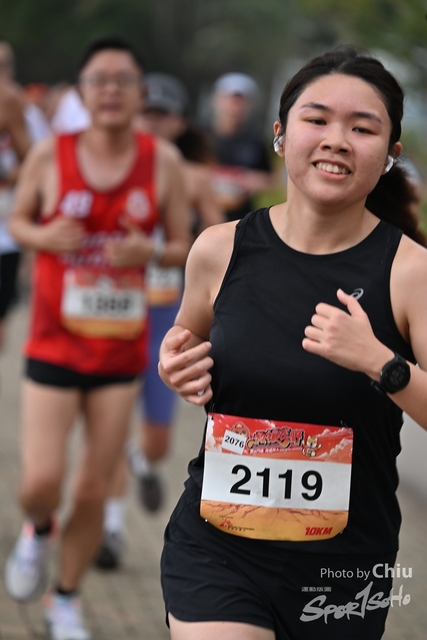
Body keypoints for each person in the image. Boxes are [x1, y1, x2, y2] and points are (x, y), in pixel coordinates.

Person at [157, 46, 427, 640]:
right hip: (218, 544)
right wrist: (173, 366)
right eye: (317, 119)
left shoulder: (411, 272)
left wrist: (381, 363)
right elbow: (184, 344)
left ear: (390, 155)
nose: (337, 140)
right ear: (280, 135)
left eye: (362, 129)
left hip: (344, 564)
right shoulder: (219, 248)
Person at [4, 36, 190, 640]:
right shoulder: (50, 154)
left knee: (90, 490)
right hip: (53, 342)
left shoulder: (161, 162)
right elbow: (17, 219)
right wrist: (43, 236)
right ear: (81, 93)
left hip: (118, 352)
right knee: (40, 483)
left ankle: (66, 599)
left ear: (140, 92)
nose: (111, 90)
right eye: (99, 80)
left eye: (123, 80)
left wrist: (150, 251)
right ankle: (37, 529)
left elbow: (186, 243)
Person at [95, 72, 223, 570]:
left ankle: (143, 461)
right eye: (145, 112)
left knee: (157, 440)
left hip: (169, 317)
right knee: (109, 426)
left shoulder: (192, 177)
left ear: (179, 122)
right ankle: (111, 528)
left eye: (162, 114)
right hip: (113, 314)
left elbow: (220, 238)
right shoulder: (109, 167)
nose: (151, 122)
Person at [208, 72, 275, 222]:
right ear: (216, 100)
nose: (235, 107)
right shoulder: (201, 137)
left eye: (240, 101)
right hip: (203, 217)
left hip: (241, 219)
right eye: (230, 100)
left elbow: (271, 179)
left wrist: (252, 181)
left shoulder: (256, 141)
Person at [0, 40, 31, 351]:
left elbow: (30, 161)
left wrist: (8, 177)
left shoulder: (10, 100)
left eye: (3, 65)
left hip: (4, 230)